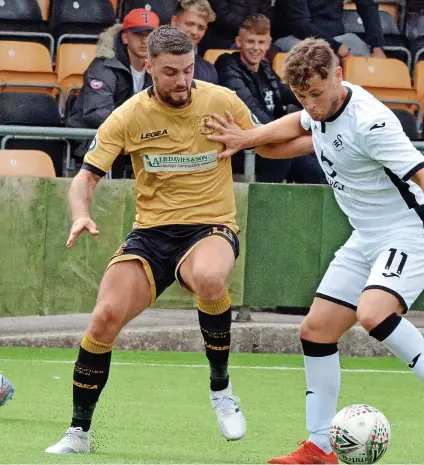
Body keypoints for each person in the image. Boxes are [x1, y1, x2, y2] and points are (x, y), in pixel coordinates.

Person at [206, 38, 424, 464]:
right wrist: (250, 138)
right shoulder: (318, 108)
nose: (311, 105)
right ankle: (320, 446)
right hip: (365, 236)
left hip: (411, 232)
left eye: (316, 94)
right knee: (315, 331)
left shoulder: (371, 123)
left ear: (338, 75)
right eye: (301, 96)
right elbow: (298, 126)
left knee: (373, 313)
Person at [45, 25, 265, 454]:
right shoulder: (128, 116)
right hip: (151, 233)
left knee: (209, 277)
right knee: (105, 316)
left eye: (187, 70)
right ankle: (79, 433)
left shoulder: (220, 99)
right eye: (170, 73)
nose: (181, 81)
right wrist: (81, 214)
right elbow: (85, 178)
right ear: (150, 67)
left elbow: (267, 138)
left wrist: (273, 136)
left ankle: (221, 390)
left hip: (210, 225)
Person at [215, 13, 324, 183]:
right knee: (282, 158)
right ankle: (262, 208)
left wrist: (317, 98)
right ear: (239, 42)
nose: (255, 48)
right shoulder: (228, 66)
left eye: (261, 42)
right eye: (251, 41)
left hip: (272, 140)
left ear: (268, 44)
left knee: (316, 168)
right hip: (243, 145)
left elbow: (287, 92)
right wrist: (283, 133)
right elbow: (250, 109)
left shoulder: (265, 68)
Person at [65, 8, 159, 177]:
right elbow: (97, 113)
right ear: (125, 37)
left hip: (136, 137)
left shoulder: (161, 68)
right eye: (138, 34)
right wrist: (142, 126)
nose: (145, 40)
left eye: (150, 34)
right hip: (95, 138)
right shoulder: (104, 66)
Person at [272, 0, 386, 59]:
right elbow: (301, 25)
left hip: (335, 37)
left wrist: (377, 46)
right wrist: (335, 47)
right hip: (296, 37)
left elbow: (367, 5)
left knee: (369, 61)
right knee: (325, 61)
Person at [198, 0, 274, 54]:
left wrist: (256, 30)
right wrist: (247, 30)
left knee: (273, 53)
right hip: (224, 37)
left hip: (254, 34)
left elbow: (266, 13)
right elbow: (222, 14)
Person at [171, 0, 219, 84]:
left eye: (201, 28)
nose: (194, 32)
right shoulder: (151, 58)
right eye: (189, 24)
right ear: (174, 21)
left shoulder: (208, 71)